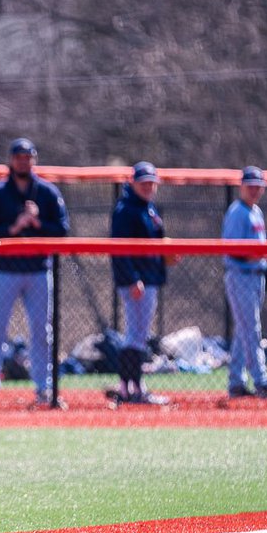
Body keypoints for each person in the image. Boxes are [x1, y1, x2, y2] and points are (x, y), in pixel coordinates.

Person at [0, 137, 71, 410]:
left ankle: (45, 388)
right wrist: (14, 228)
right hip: (5, 270)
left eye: (28, 157)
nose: (23, 161)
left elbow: (62, 230)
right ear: (11, 160)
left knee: (42, 331)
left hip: (38, 270)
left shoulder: (47, 192)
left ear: (34, 160)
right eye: (18, 156)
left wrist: (38, 221)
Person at [221, 165, 267, 399]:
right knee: (252, 330)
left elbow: (259, 247)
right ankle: (262, 381)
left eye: (259, 186)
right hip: (240, 275)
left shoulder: (255, 211)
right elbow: (235, 250)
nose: (255, 190)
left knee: (243, 330)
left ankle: (237, 382)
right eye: (251, 186)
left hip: (256, 276)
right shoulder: (237, 212)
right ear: (242, 186)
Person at [109, 161, 169, 405]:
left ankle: (131, 386)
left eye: (151, 182)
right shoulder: (126, 209)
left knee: (139, 335)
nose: (148, 186)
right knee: (135, 335)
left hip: (149, 278)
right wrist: (133, 279)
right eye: (143, 182)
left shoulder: (149, 208)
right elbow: (120, 250)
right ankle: (130, 387)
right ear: (132, 183)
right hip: (136, 281)